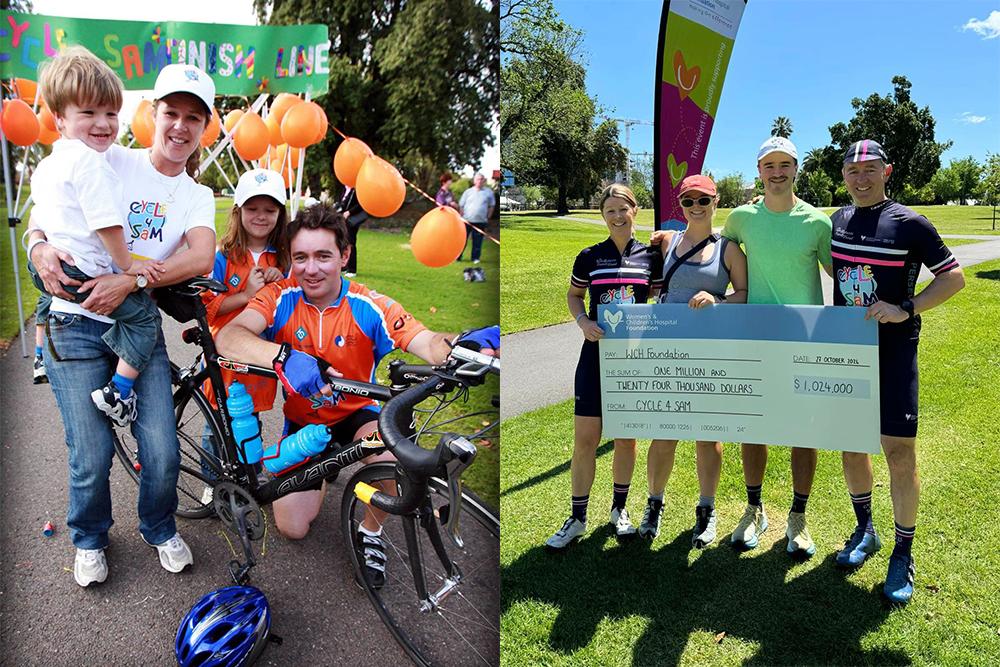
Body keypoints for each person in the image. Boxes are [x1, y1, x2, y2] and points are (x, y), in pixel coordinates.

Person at [214, 203, 498, 584]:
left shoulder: (368, 304)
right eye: (300, 257)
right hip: (304, 421)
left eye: (323, 256)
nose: (310, 269)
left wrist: (464, 344)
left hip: (358, 415)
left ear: (344, 255)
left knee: (394, 457)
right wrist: (284, 356)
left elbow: (428, 342)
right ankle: (326, 472)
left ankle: (371, 531)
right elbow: (229, 337)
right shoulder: (280, 295)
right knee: (292, 528)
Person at [28, 61, 217, 587]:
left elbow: (201, 256)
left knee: (160, 447)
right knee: (89, 452)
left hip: (136, 327)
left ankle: (158, 526)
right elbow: (52, 208)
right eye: (171, 113)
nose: (180, 127)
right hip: (75, 325)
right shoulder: (110, 155)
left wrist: (131, 281)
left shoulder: (197, 195)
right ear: (152, 115)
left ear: (205, 128)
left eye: (194, 118)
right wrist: (37, 246)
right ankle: (89, 537)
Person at [831, 140, 964, 604]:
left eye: (870, 170)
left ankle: (903, 551)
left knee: (898, 453)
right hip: (848, 351)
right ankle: (865, 531)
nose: (860, 178)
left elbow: (953, 277)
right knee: (851, 448)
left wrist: (907, 307)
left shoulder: (911, 222)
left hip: (894, 350)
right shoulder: (837, 221)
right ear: (843, 175)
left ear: (887, 171)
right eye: (852, 170)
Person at [27, 46, 165, 427]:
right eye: (88, 112)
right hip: (85, 274)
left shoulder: (50, 163)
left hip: (58, 271)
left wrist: (37, 247)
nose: (103, 123)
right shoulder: (91, 163)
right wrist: (128, 265)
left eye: (110, 113)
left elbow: (40, 215)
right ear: (60, 119)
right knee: (145, 321)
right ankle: (119, 391)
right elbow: (106, 223)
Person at [722, 136, 832, 557]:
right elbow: (715, 252)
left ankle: (798, 518)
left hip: (804, 340)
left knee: (803, 431)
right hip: (755, 337)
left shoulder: (817, 223)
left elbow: (843, 280)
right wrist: (667, 240)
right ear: (759, 171)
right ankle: (754, 509)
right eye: (770, 165)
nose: (777, 172)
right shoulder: (741, 219)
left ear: (796, 169)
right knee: (754, 427)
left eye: (785, 164)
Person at [544, 184, 664, 550]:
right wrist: (582, 322)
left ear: (635, 211)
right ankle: (578, 518)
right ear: (603, 216)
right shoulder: (589, 256)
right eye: (609, 210)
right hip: (595, 357)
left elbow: (658, 298)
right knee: (585, 440)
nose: (616, 216)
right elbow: (574, 295)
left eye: (622, 209)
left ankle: (619, 510)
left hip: (633, 360)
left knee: (626, 438)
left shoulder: (650, 257)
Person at [641, 175, 748, 546]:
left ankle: (707, 509)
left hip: (709, 353)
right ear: (680, 204)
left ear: (716, 201)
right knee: (664, 433)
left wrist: (717, 300)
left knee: (708, 436)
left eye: (703, 200)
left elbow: (744, 295)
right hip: (666, 350)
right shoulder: (667, 241)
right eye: (689, 201)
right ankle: (654, 504)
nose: (696, 208)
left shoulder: (728, 249)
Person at [200, 168, 289, 477]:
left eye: (269, 209)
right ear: (238, 211)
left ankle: (248, 475)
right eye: (252, 208)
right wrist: (246, 295)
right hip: (223, 359)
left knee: (249, 419)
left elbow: (290, 308)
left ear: (280, 213)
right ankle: (213, 481)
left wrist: (282, 283)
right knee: (217, 422)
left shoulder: (285, 258)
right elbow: (207, 308)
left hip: (257, 358)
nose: (261, 216)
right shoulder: (222, 256)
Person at [458, 172, 495, 264]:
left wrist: (488, 216)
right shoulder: (468, 192)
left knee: (477, 241)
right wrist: (462, 217)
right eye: (478, 179)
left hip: (480, 221)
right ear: (474, 181)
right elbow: (461, 205)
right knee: (462, 240)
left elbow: (492, 206)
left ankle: (475, 258)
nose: (479, 181)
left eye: (481, 179)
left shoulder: (489, 192)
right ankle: (458, 256)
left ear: (484, 181)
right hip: (466, 221)